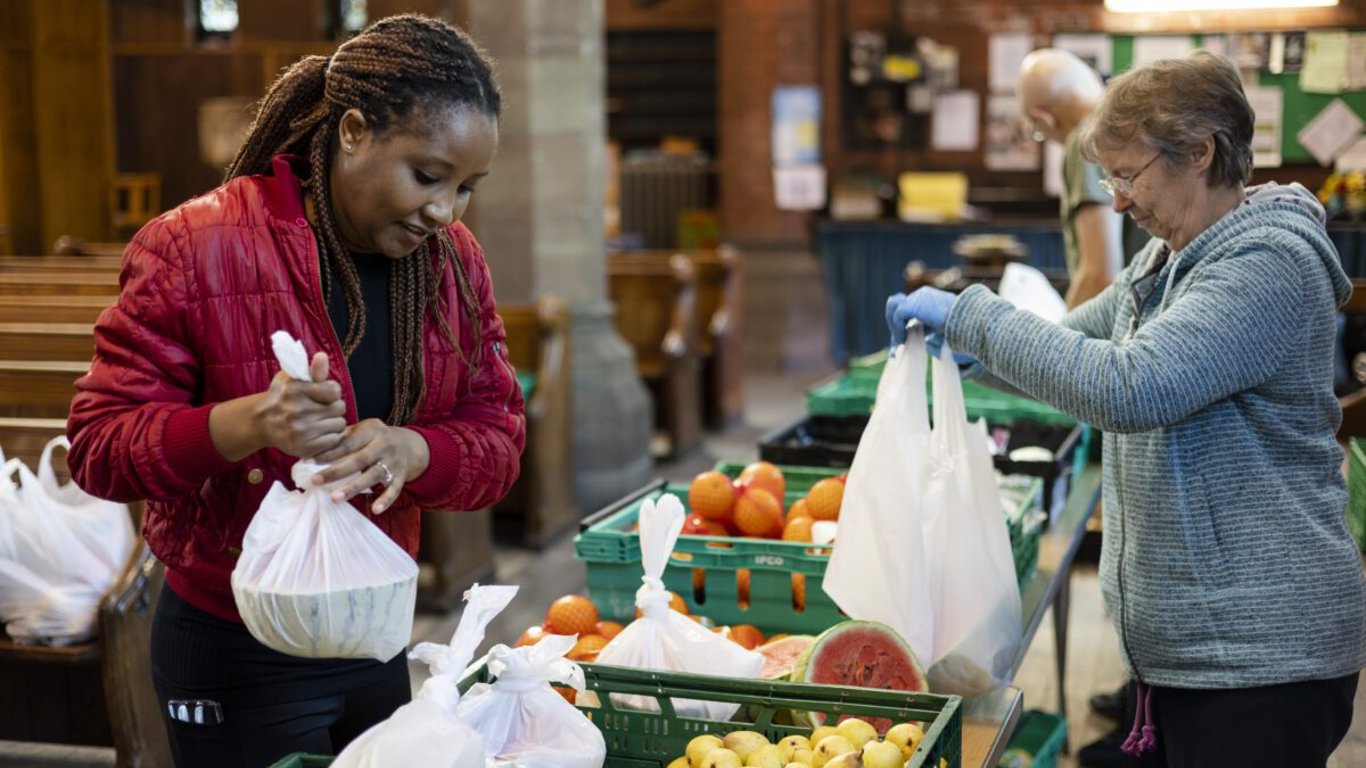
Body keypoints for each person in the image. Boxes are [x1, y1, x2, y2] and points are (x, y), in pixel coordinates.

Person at [65, 14, 525, 767]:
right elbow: (99, 449)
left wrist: (415, 449)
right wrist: (246, 423)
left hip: (373, 632)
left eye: (467, 188)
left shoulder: (451, 264)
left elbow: (499, 440)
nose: (445, 211)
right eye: (427, 176)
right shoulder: (195, 245)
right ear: (352, 131)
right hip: (234, 648)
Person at [887, 51, 1366, 767]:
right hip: (1193, 648)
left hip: (1262, 655)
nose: (1115, 201)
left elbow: (1129, 386)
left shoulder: (1269, 265)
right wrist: (971, 354)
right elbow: (1071, 347)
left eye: (1129, 175)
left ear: (1201, 153)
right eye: (1109, 177)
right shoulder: (1167, 257)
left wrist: (973, 318)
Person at [1018, 48, 1125, 308]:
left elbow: (1100, 274)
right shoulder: (1122, 126)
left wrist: (1058, 338)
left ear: (1043, 119)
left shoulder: (1085, 141)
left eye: (1037, 131)